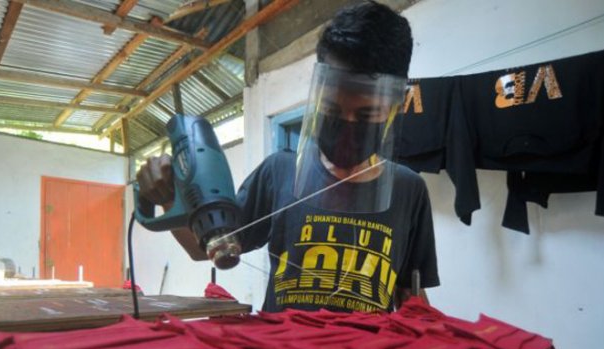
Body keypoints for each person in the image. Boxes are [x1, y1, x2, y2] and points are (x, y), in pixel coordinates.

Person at [137, 1, 439, 313]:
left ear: (395, 106)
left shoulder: (409, 190)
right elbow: (206, 250)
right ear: (319, 93)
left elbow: (411, 298)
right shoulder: (277, 172)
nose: (347, 127)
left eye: (366, 114)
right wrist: (169, 199)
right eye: (333, 109)